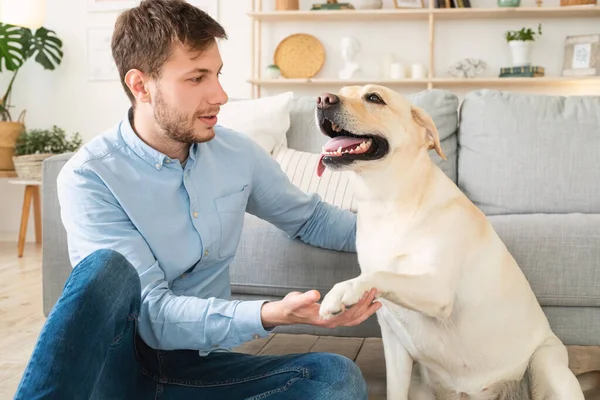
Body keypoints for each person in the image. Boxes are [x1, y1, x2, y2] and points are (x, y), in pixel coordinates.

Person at [14, 0, 381, 399]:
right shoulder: (90, 176)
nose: (220, 94)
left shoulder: (237, 154)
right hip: (116, 370)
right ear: (141, 86)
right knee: (106, 269)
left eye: (218, 74)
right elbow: (152, 313)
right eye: (196, 78)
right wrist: (267, 313)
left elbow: (310, 219)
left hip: (195, 366)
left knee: (334, 378)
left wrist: (412, 235)